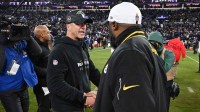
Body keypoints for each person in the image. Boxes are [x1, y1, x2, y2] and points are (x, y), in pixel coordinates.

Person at [94, 2, 167, 112]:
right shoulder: (144, 45)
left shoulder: (129, 53)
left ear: (114, 24)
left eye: (108, 24)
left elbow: (135, 106)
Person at [47, 10, 101, 112]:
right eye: (78, 23)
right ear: (68, 26)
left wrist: (107, 87)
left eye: (84, 24)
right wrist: (83, 97)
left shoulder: (82, 46)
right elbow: (55, 83)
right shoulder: (59, 50)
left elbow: (92, 72)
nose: (83, 27)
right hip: (64, 107)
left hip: (78, 105)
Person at [0, 32, 41, 112]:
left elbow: (38, 52)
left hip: (23, 88)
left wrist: (28, 36)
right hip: (8, 91)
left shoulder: (21, 43)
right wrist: (2, 43)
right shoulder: (2, 46)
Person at [148, 31, 175, 112]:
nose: (153, 45)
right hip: (150, 85)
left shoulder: (169, 54)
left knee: (163, 108)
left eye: (155, 43)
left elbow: (164, 68)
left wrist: (154, 55)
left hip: (164, 86)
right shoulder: (148, 52)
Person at [29, 25, 52, 112]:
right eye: (47, 32)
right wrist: (48, 72)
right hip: (41, 84)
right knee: (44, 107)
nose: (49, 33)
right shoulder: (36, 49)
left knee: (48, 105)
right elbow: (31, 67)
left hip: (48, 81)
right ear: (42, 34)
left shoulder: (45, 45)